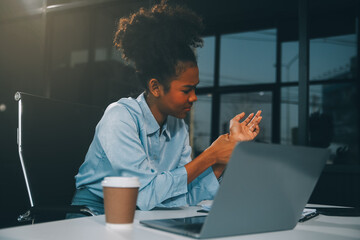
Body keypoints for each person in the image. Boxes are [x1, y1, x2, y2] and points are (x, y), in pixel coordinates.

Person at [70, 1, 262, 215]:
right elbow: (145, 194)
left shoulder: (178, 127)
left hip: (141, 215)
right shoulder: (119, 118)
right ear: (155, 87)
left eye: (195, 89)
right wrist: (210, 155)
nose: (194, 98)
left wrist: (222, 158)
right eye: (186, 90)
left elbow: (182, 196)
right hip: (93, 216)